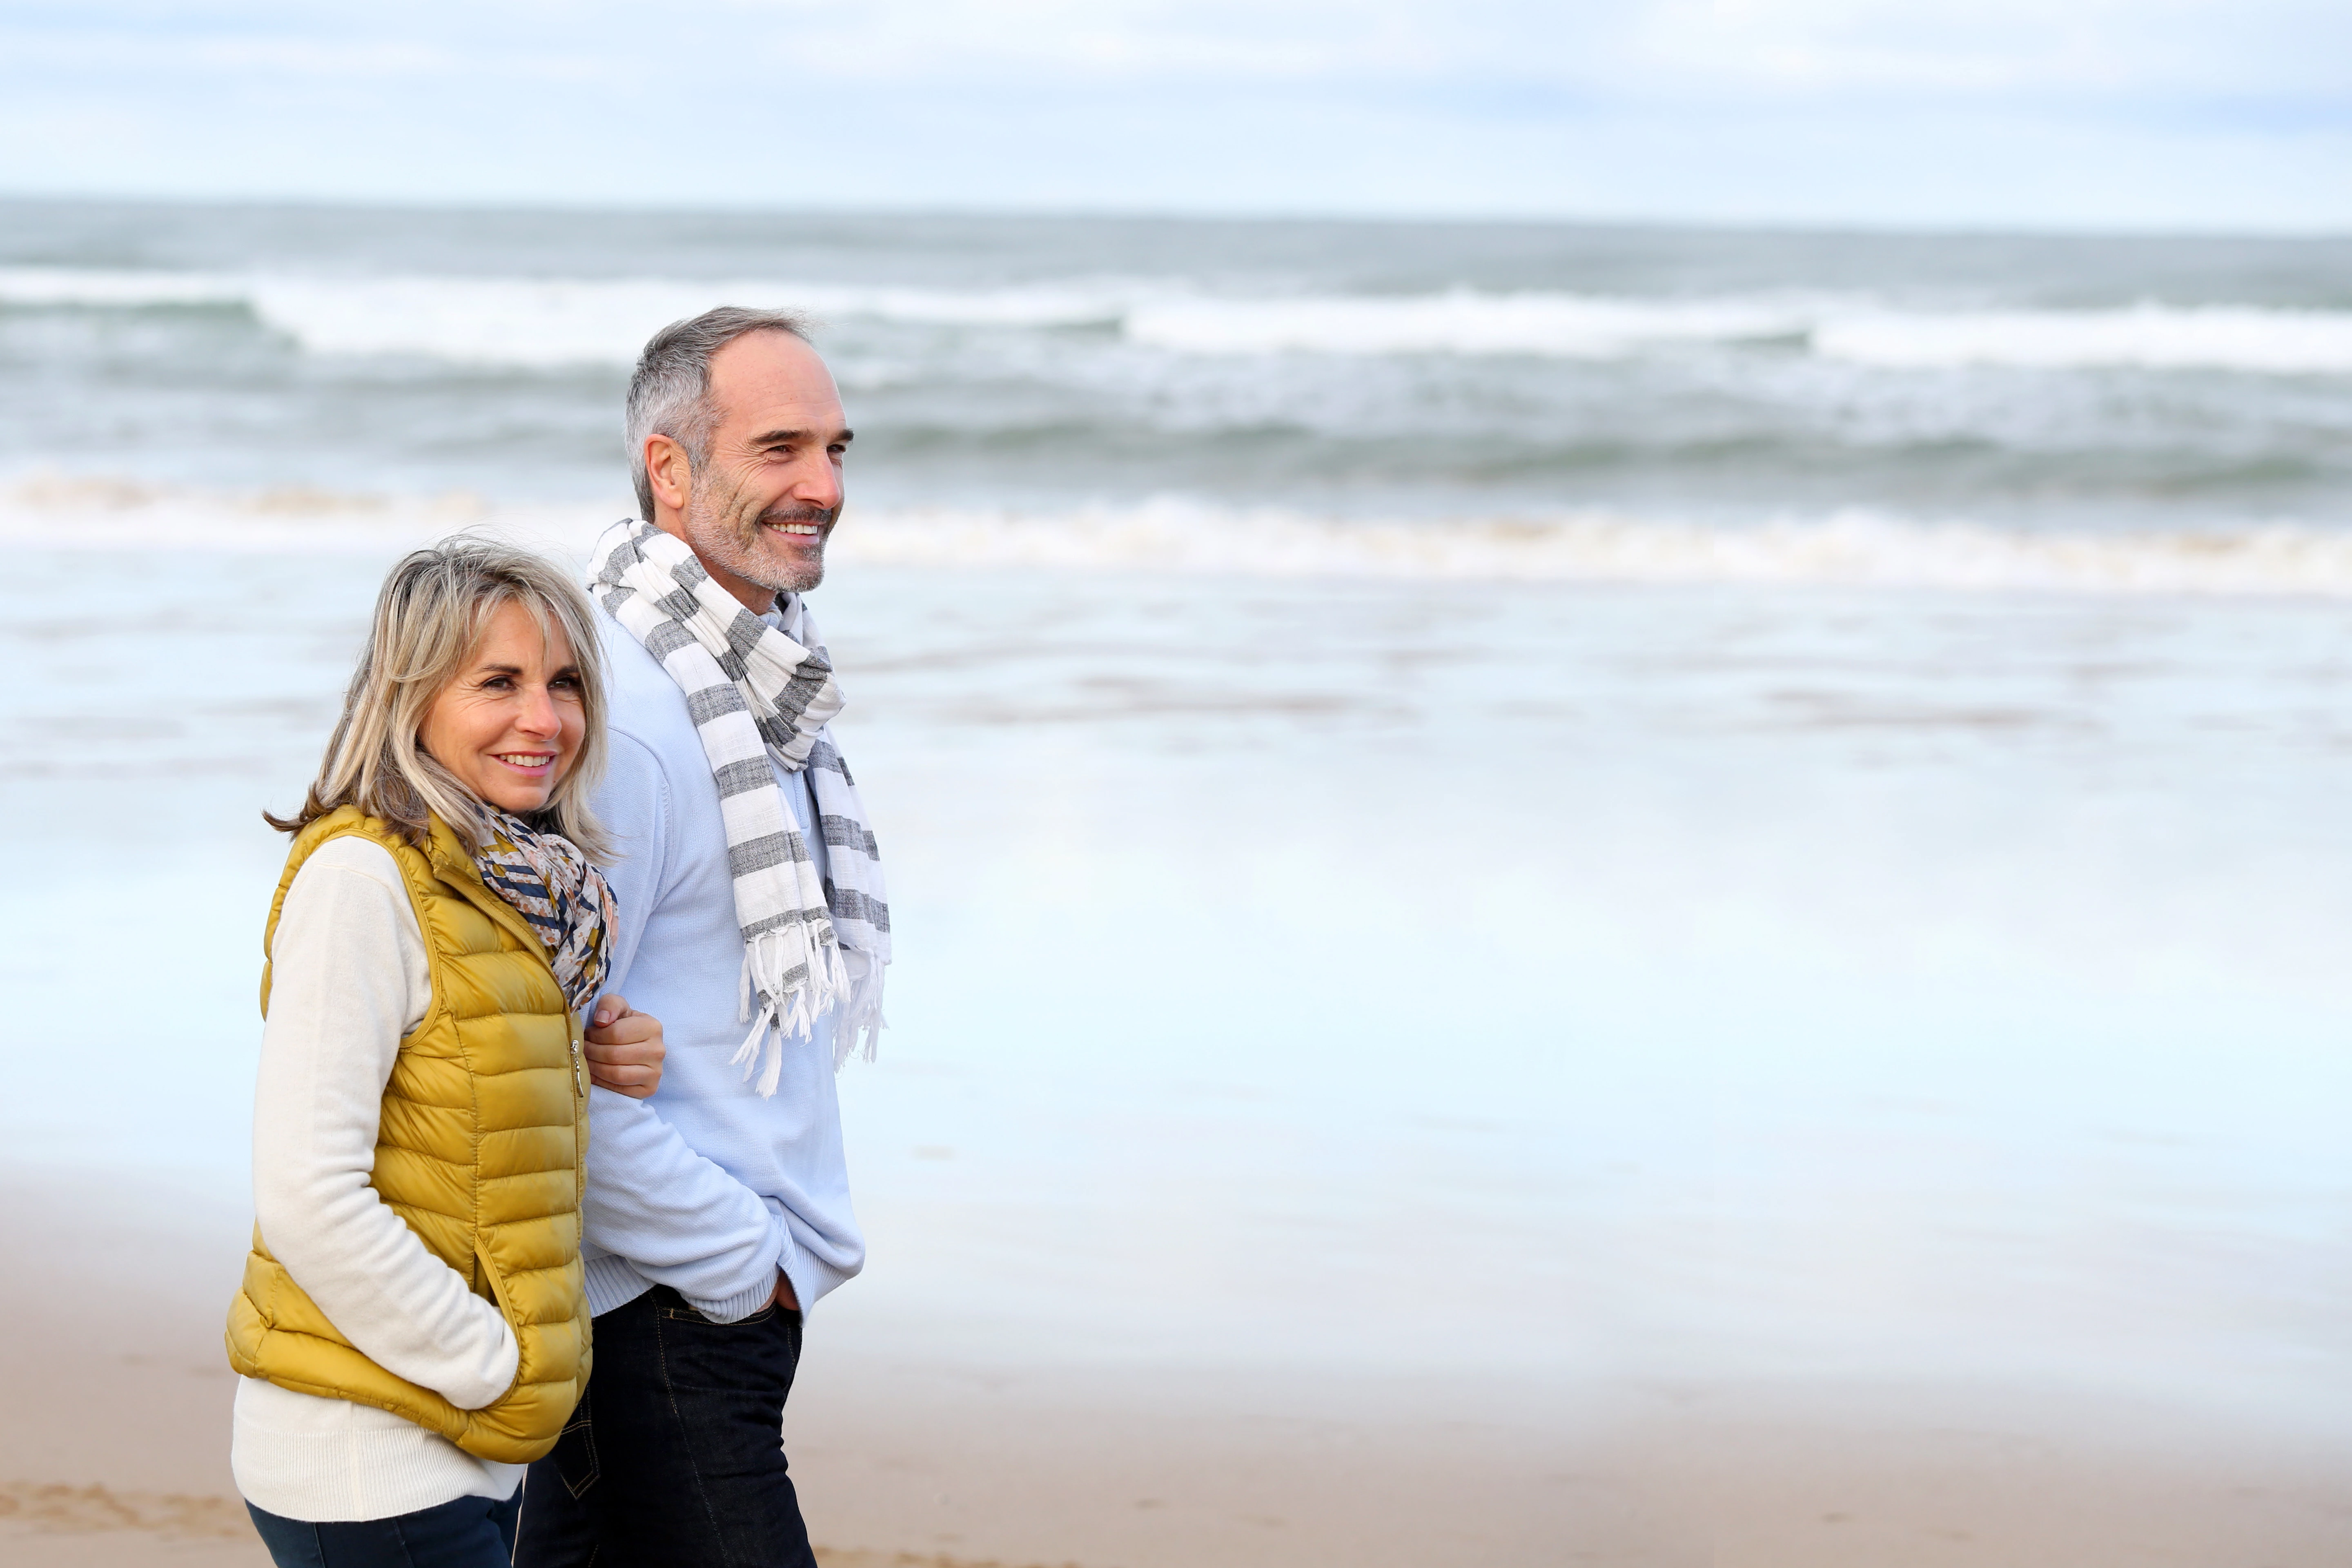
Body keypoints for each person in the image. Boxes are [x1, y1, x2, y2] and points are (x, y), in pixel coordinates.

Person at [512, 307, 891, 1568]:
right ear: (670, 470)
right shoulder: (625, 709)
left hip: (704, 1300)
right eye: (780, 448)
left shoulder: (760, 681)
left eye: (838, 450)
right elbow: (539, 1058)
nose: (824, 487)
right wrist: (738, 1261)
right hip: (667, 1310)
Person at [227, 542, 668, 1568]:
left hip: (457, 1446)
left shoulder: (515, 891)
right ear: (412, 697)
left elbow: (453, 1093)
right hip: (369, 1445)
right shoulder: (361, 882)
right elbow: (306, 1190)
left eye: (564, 684)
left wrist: (588, 1057)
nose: (544, 719)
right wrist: (489, 1366)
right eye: (498, 684)